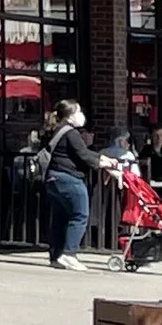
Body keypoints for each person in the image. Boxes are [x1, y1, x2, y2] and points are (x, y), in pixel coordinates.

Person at [42, 100, 112, 271]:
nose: (81, 115)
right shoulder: (71, 133)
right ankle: (69, 254)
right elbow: (83, 154)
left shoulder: (55, 130)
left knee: (60, 218)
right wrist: (103, 163)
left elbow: (81, 153)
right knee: (80, 215)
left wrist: (101, 159)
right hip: (69, 179)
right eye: (78, 111)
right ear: (71, 115)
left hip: (53, 179)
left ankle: (56, 255)